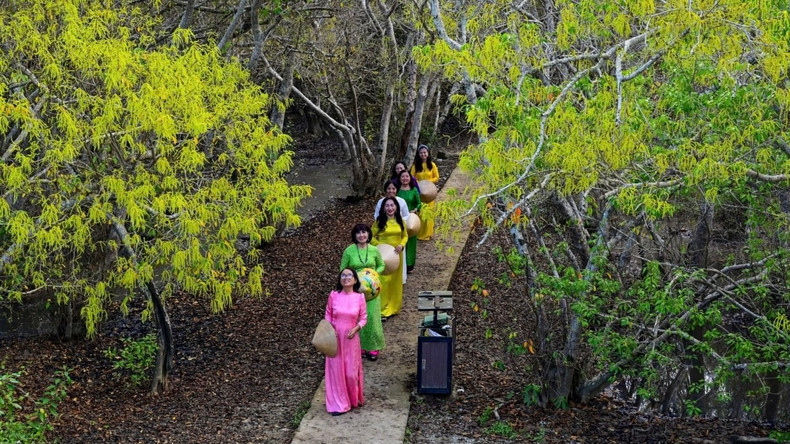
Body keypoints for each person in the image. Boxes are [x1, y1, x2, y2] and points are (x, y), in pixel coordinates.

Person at [324, 268, 368, 416]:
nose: (346, 277)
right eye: (343, 275)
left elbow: (363, 318)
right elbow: (328, 314)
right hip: (335, 339)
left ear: (355, 280)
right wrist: (330, 330)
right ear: (340, 279)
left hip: (351, 339)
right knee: (336, 371)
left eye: (350, 275)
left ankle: (352, 399)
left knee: (350, 373)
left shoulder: (359, 297)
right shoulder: (333, 295)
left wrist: (356, 328)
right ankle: (339, 404)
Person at [339, 224, 385, 361]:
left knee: (371, 317)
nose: (361, 235)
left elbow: (382, 264)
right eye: (358, 233)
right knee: (357, 318)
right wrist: (348, 281)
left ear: (368, 234)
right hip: (355, 290)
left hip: (372, 291)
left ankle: (373, 347)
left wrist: (375, 274)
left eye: (364, 232)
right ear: (354, 236)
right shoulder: (349, 251)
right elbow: (343, 269)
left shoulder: (374, 250)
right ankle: (361, 347)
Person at [370, 197, 408, 319]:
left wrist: (401, 245)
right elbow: (370, 237)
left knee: (396, 281)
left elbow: (405, 236)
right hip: (384, 255)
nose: (390, 208)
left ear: (396, 207)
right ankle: (383, 309)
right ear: (383, 208)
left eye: (392, 205)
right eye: (387, 206)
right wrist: (380, 246)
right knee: (385, 281)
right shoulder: (379, 221)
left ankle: (395, 307)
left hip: (397, 255)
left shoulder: (400, 221)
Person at [374, 181, 410, 285]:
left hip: (397, 249)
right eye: (389, 189)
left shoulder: (401, 202)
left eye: (393, 188)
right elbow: (371, 234)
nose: (391, 191)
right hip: (383, 247)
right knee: (384, 274)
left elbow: (406, 217)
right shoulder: (380, 202)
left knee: (397, 272)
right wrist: (379, 244)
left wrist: (401, 244)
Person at [410, 145, 440, 241]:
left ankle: (428, 234)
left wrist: (428, 182)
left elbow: (437, 177)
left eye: (424, 152)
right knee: (420, 212)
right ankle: (419, 233)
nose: (423, 154)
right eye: (421, 153)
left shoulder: (432, 165)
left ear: (427, 153)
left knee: (429, 212)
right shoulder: (415, 166)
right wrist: (417, 183)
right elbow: (412, 177)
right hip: (419, 192)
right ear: (418, 154)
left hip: (429, 192)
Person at [395, 169, 421, 273]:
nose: (405, 178)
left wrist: (415, 210)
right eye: (403, 177)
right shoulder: (397, 190)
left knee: (410, 241)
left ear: (410, 178)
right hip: (399, 219)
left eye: (407, 176)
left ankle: (409, 265)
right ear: (399, 178)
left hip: (411, 219)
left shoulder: (414, 189)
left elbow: (419, 203)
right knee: (400, 241)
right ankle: (399, 264)